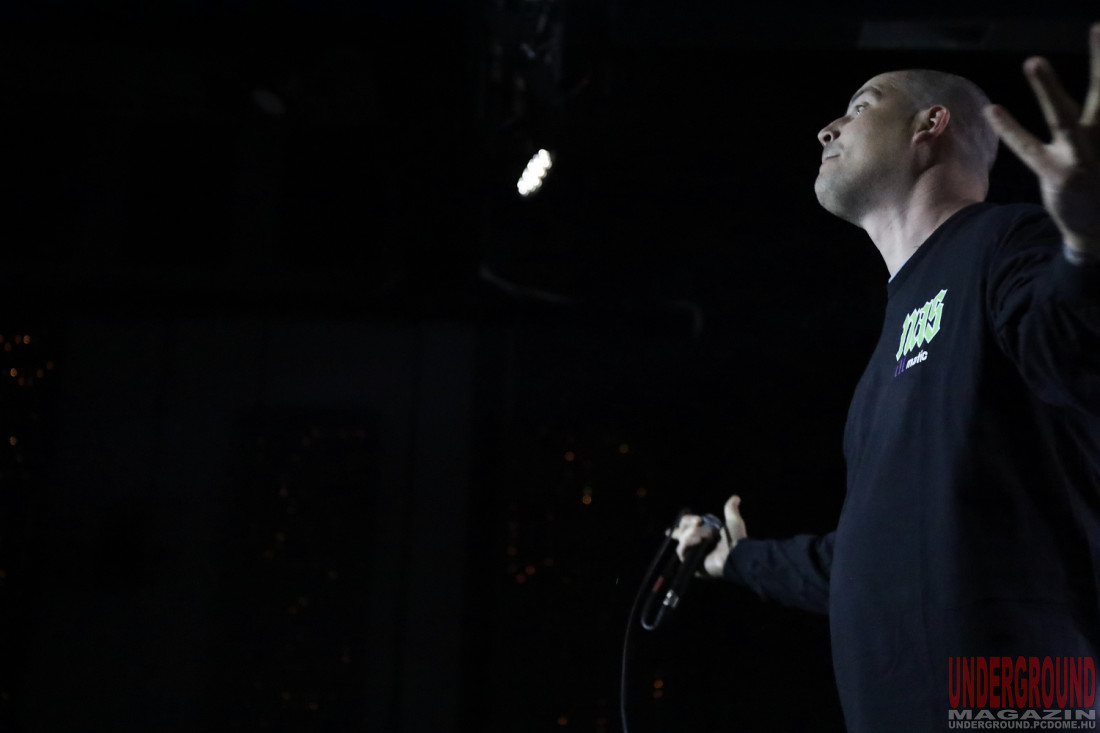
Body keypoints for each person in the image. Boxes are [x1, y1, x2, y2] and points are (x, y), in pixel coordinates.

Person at [673, 24, 1100, 732]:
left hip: (1018, 696)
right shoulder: (882, 365)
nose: (827, 129)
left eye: (861, 106)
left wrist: (1086, 247)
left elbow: (1071, 344)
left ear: (930, 126)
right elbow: (866, 558)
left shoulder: (1003, 242)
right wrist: (736, 560)